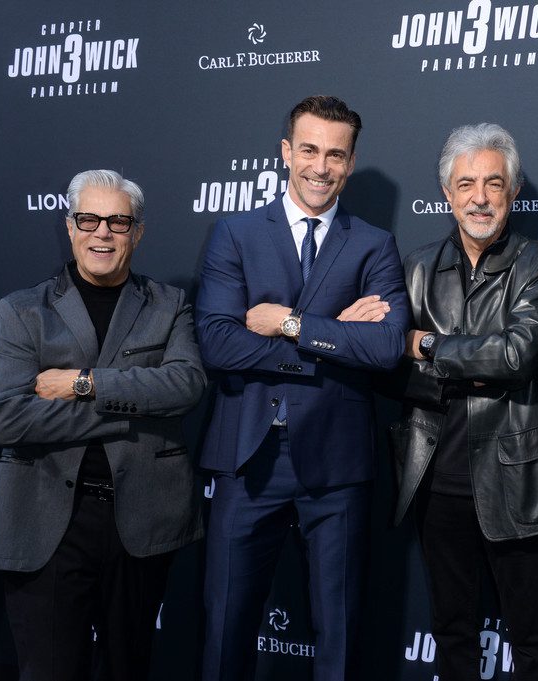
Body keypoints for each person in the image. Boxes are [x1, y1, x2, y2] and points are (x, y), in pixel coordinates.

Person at [196, 95, 409, 681]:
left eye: (335, 154)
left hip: (337, 463)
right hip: (247, 457)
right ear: (287, 152)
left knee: (340, 635)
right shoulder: (235, 234)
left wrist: (290, 324)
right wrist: (336, 338)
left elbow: (385, 347)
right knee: (225, 628)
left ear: (351, 161)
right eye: (309, 150)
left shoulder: (373, 244)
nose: (321, 166)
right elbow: (218, 343)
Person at [0, 169, 206, 681]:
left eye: (118, 222)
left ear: (137, 232)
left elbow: (185, 386)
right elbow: (6, 418)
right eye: (89, 220)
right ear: (70, 226)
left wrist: (84, 383)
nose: (103, 232)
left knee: (129, 669)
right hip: (45, 520)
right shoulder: (23, 310)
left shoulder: (169, 304)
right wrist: (130, 414)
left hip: (141, 518)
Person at [391, 122, 538, 681]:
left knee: (533, 639)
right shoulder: (416, 267)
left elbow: (515, 357)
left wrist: (428, 347)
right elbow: (390, 370)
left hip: (515, 481)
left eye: (494, 183)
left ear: (513, 192)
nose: (480, 198)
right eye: (466, 184)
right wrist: (464, 366)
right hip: (435, 482)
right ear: (447, 193)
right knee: (452, 632)